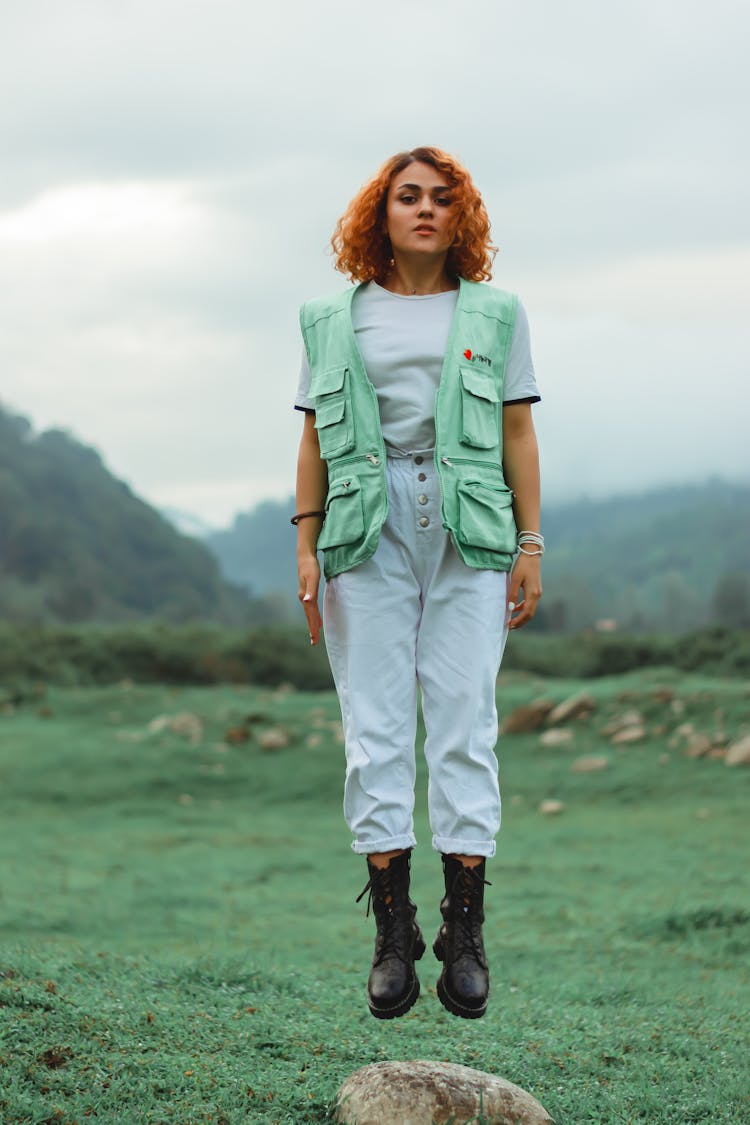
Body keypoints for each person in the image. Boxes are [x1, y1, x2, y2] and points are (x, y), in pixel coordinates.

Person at [293, 146, 542, 1021]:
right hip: (367, 520)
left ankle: (464, 933)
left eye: (442, 198)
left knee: (466, 717)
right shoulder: (332, 316)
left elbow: (516, 431)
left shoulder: (496, 312)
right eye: (408, 197)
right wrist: (304, 541)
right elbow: (316, 435)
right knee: (375, 722)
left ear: (460, 215)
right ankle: (392, 932)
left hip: (471, 521)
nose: (425, 210)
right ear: (382, 214)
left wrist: (532, 541)